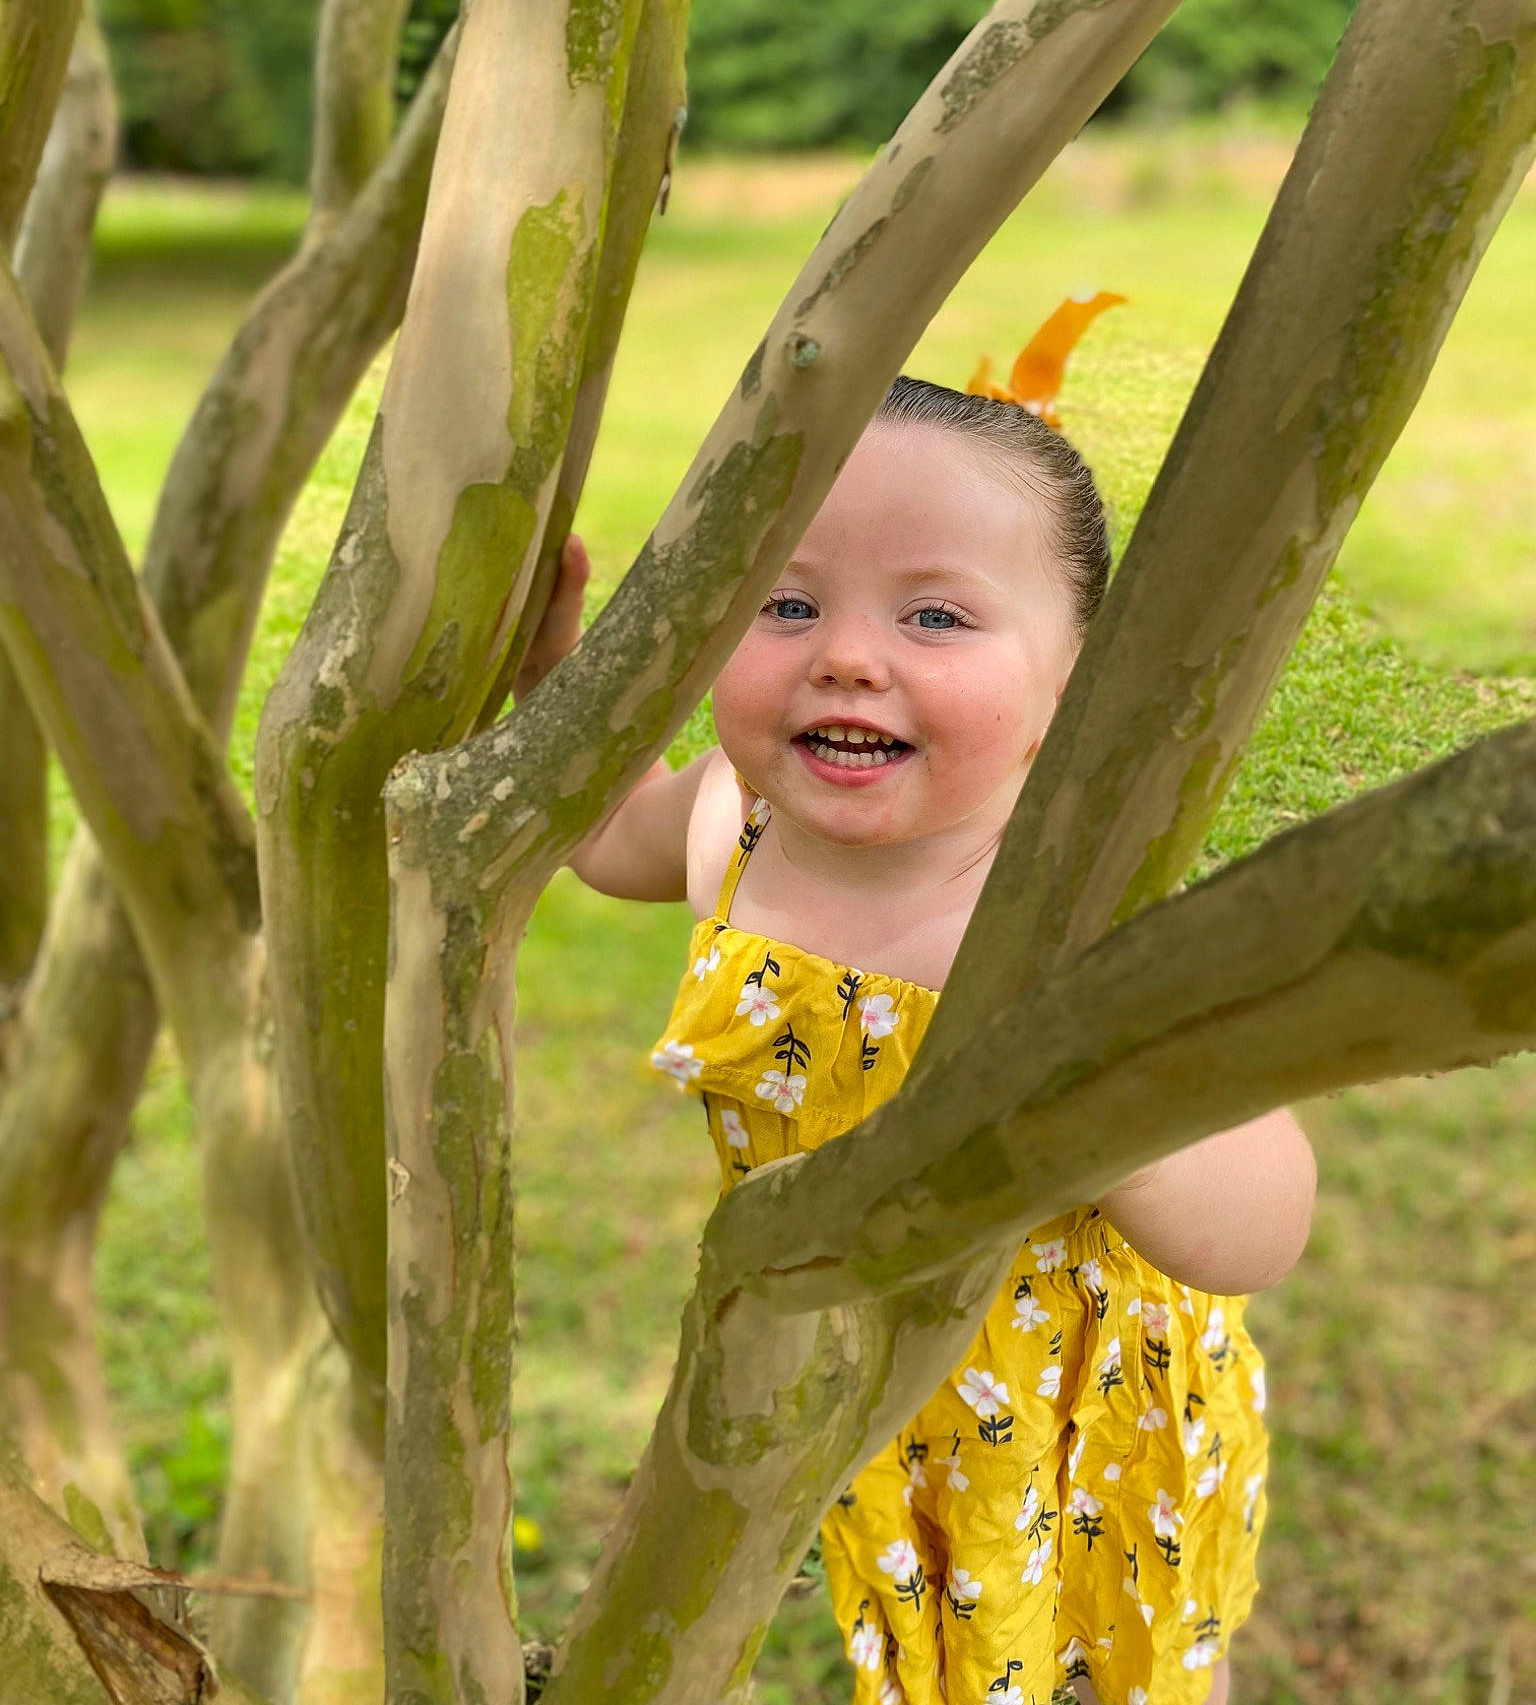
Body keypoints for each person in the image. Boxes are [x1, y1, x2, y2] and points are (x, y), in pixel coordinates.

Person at [520, 373, 1316, 1705]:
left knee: (1132, 1675)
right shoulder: (734, 816)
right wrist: (547, 682)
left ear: (1083, 684)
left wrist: (1094, 1082)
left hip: (1083, 1410)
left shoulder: (1070, 922)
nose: (844, 654)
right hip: (862, 1389)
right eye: (786, 603)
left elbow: (1262, 1228)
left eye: (935, 614)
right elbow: (606, 841)